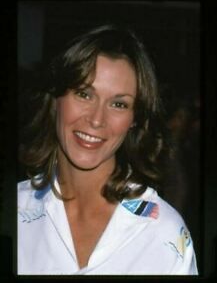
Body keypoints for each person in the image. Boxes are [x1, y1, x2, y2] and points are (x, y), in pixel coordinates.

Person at [17, 24, 198, 275]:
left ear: (134, 118)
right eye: (84, 94)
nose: (96, 119)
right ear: (56, 97)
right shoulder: (17, 210)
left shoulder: (163, 233)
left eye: (118, 104)